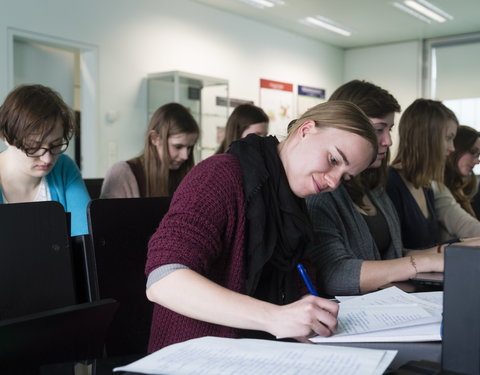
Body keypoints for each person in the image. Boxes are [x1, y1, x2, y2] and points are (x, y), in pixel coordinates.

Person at [145, 100, 378, 351]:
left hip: (261, 353)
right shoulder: (220, 175)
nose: (333, 182)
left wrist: (307, 318)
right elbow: (163, 281)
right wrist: (274, 318)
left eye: (345, 177)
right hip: (196, 355)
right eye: (333, 159)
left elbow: (297, 286)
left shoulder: (291, 204)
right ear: (306, 130)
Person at [305, 80, 443, 296]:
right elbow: (334, 275)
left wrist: (443, 254)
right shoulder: (321, 193)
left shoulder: (373, 187)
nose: (388, 141)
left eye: (389, 129)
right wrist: (421, 264)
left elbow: (389, 256)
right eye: (379, 129)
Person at [0, 84, 90, 236]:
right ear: (5, 137)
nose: (47, 159)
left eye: (56, 145)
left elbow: (86, 237)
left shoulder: (63, 167)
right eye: (33, 147)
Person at [386, 99, 461, 249]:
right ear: (426, 138)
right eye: (448, 138)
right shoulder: (390, 183)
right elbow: (393, 253)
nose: (452, 148)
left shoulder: (425, 186)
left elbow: (427, 247)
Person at [100, 102, 199, 198]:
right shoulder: (121, 174)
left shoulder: (189, 176)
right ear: (154, 138)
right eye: (178, 146)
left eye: (189, 147)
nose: (185, 156)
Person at [433, 125, 480, 240]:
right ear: (456, 148)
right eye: (473, 152)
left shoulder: (463, 187)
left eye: (478, 155)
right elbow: (468, 229)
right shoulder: (435, 186)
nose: (477, 160)